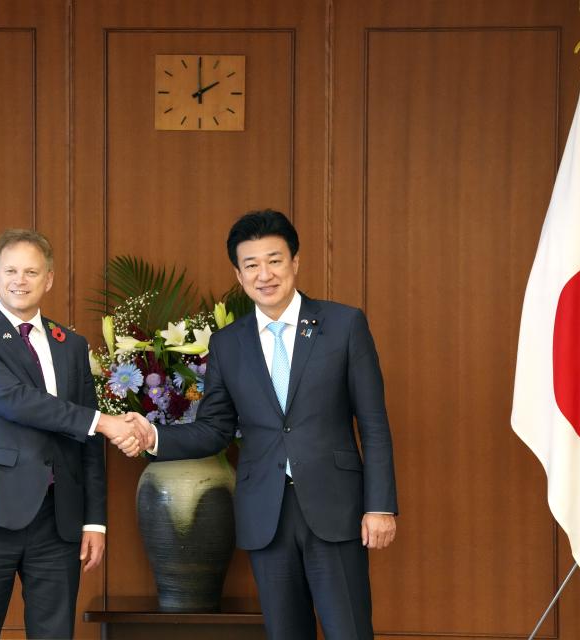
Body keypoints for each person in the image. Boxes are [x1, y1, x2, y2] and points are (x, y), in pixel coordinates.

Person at [121, 210, 398, 639]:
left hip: (335, 506)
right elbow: (214, 428)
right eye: (251, 265)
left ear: (295, 263)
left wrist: (379, 506)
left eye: (274, 260)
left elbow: (375, 425)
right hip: (265, 511)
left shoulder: (344, 325)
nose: (264, 274)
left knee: (350, 632)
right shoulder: (229, 343)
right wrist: (153, 435)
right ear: (238, 272)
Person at [0, 229, 145, 639]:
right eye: (11, 270)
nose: (21, 279)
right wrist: (105, 422)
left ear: (48, 279)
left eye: (32, 271)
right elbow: (16, 400)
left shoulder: (71, 345)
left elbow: (86, 443)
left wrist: (95, 522)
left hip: (59, 520)